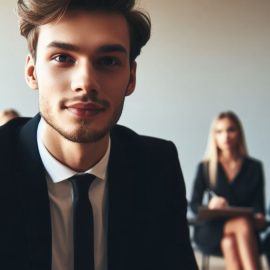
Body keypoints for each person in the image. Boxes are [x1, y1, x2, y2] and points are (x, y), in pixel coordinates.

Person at [0, 1, 198, 270]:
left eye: (108, 61)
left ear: (131, 78)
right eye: (62, 57)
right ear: (32, 71)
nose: (86, 82)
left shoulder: (157, 166)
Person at [190, 111, 265, 270]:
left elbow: (259, 205)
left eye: (231, 130)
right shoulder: (205, 167)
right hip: (211, 229)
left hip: (243, 234)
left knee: (229, 242)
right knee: (243, 224)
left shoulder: (254, 168)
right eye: (219, 131)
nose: (226, 136)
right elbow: (194, 204)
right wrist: (211, 205)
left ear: (239, 133)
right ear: (214, 136)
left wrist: (259, 216)